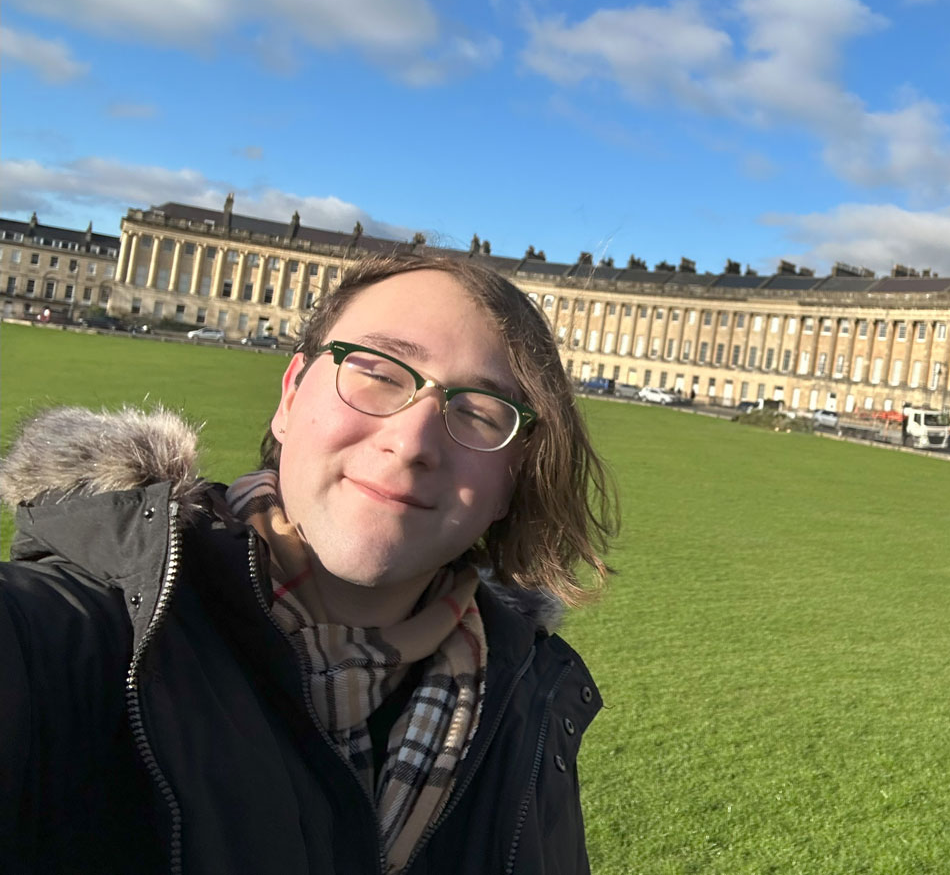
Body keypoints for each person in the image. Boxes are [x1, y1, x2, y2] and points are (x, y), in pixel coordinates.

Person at [0, 253, 619, 875]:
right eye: (377, 371)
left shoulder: (530, 708)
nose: (411, 442)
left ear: (511, 482)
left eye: (480, 411)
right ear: (291, 394)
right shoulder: (67, 639)